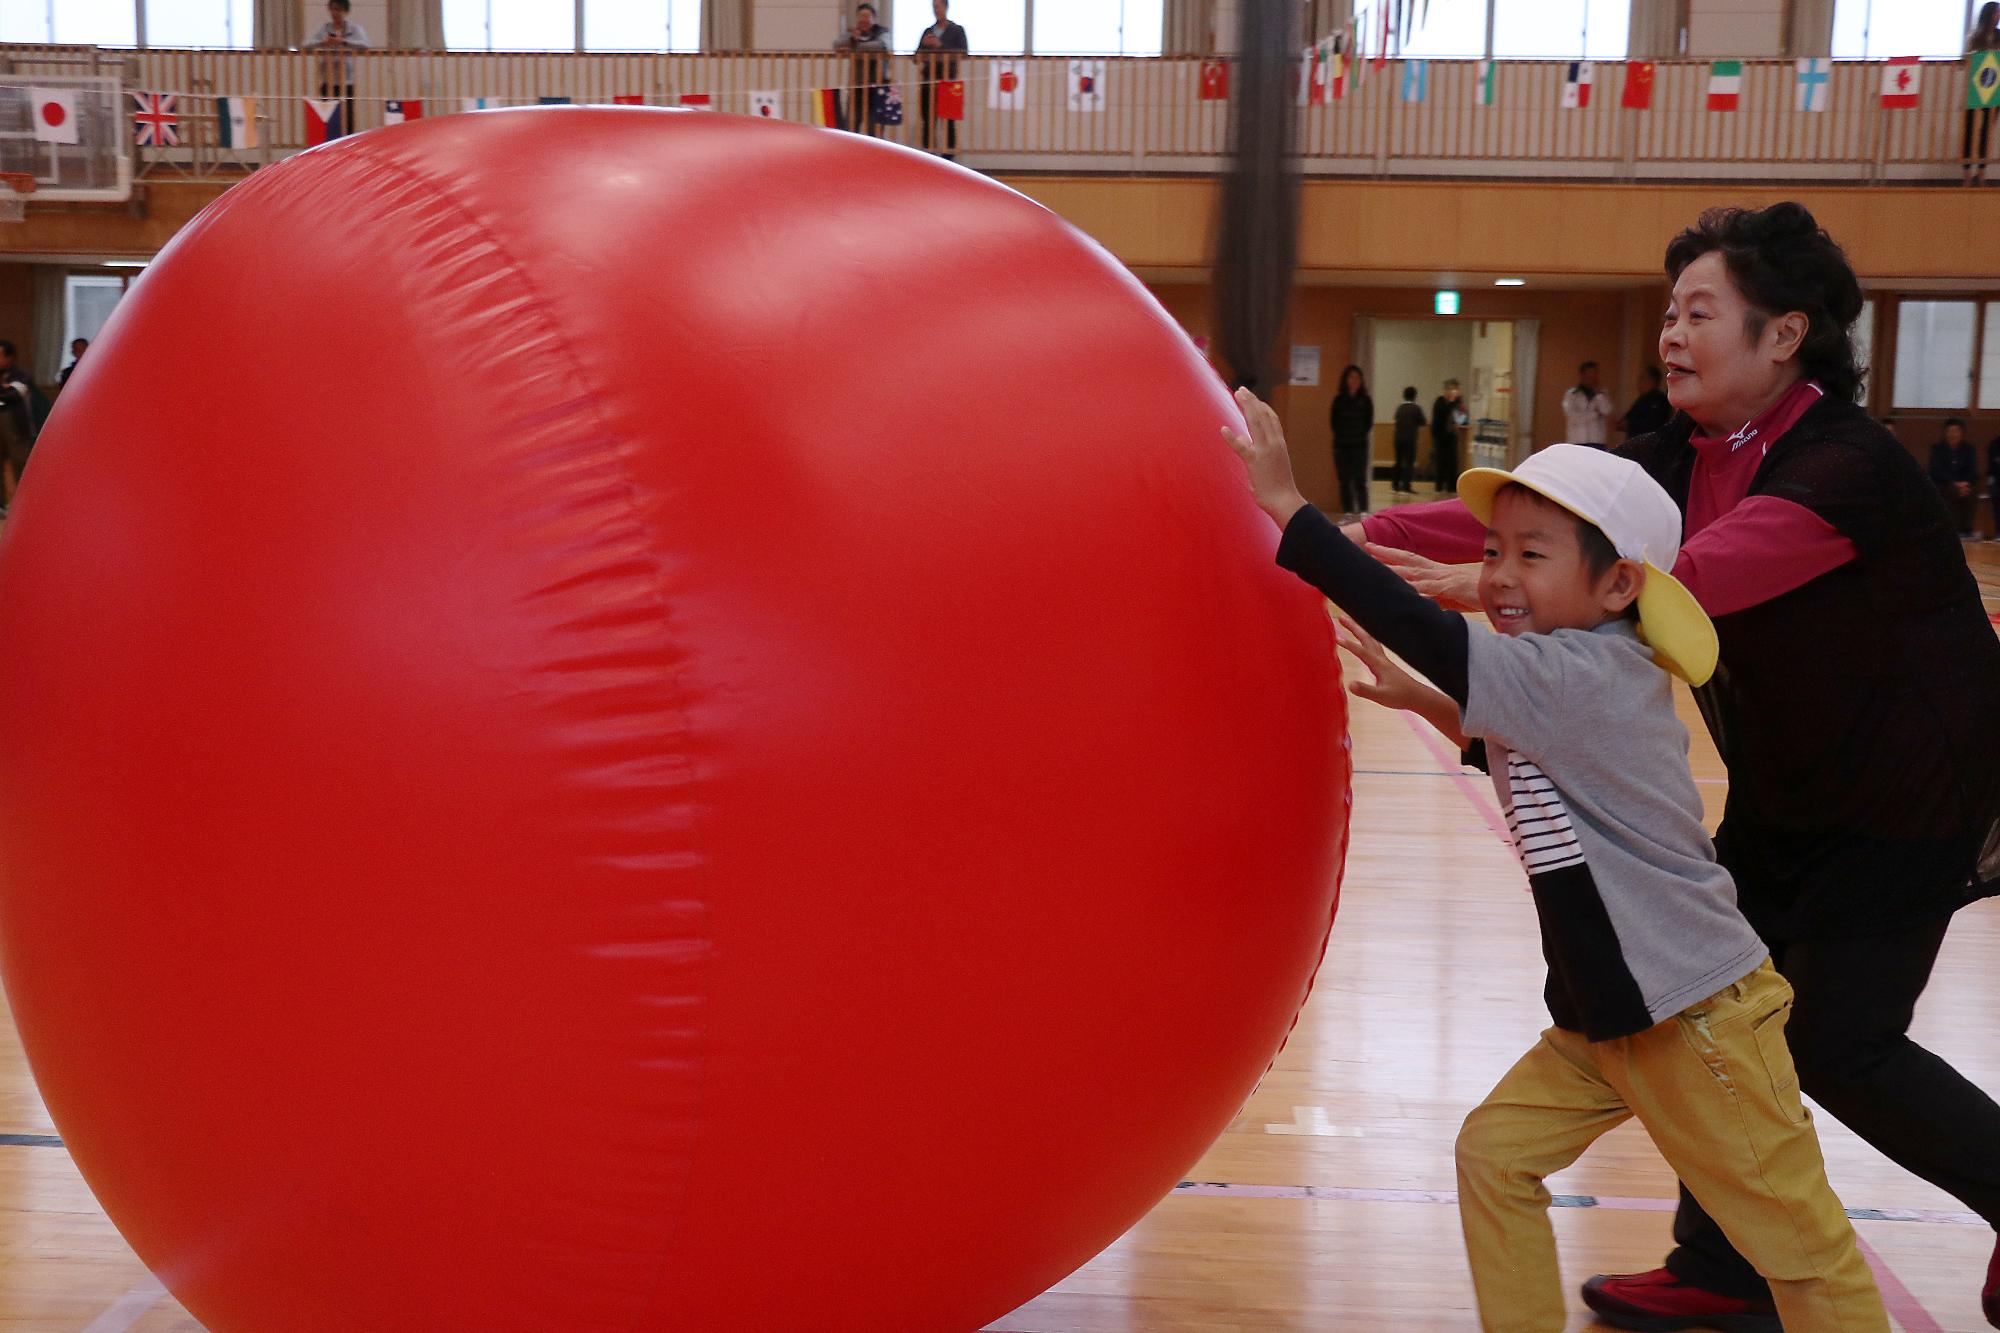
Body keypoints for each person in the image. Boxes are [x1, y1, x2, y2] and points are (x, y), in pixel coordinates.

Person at [1347, 201, 2000, 1333]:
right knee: (1708, 997)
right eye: (1667, 312)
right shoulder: (1676, 453)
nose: (1670, 334)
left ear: (1781, 335)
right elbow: (1530, 525)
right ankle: (1720, 1266)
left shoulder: (1845, 463)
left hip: (1912, 796)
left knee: (1829, 1041)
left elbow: (1683, 578)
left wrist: (1492, 590)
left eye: (1699, 312)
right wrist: (1357, 534)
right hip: (1790, 790)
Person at [1223, 394, 1891, 1333]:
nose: (1497, 576)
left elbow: (1437, 636)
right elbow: (1529, 753)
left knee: (1803, 1251)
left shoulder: (1582, 670)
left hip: (1693, 1017)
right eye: (1494, 550)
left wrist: (1293, 512)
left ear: (1620, 585)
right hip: (1608, 1015)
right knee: (1495, 1156)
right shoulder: (1568, 668)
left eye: (1532, 555)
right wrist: (1425, 702)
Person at [306, 0, 369, 138]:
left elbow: (365, 45)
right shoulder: (324, 29)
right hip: (327, 80)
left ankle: (348, 143)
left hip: (347, 81)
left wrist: (343, 42)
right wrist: (323, 42)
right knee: (328, 117)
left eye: (338, 10)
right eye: (332, 9)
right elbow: (306, 44)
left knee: (348, 117)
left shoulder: (354, 29)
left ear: (345, 11)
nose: (335, 13)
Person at [914, 0, 968, 159]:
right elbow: (916, 57)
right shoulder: (928, 31)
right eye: (934, 7)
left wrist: (940, 45)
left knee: (949, 119)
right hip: (928, 80)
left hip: (949, 80)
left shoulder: (957, 30)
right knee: (928, 119)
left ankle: (948, 156)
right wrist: (924, 46)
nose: (936, 10)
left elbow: (963, 52)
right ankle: (929, 155)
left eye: (938, 7)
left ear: (946, 8)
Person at [0, 338, 48, 507]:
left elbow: (12, 396)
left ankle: (24, 507)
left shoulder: (22, 376)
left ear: (10, 358)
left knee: (20, 466)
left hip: (17, 429)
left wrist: (5, 390)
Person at [834, 4, 892, 137]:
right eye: (860, 16)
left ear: (874, 18)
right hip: (857, 87)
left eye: (867, 16)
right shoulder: (852, 34)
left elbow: (883, 46)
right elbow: (836, 44)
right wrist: (851, 39)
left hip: (877, 88)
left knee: (875, 130)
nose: (863, 20)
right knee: (850, 128)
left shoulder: (882, 32)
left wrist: (855, 46)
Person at [1329, 363, 1374, 519]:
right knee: (1345, 481)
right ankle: (1347, 513)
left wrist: (1359, 437)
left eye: (1357, 378)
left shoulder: (1366, 400)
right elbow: (1334, 424)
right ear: (1346, 380)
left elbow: (1368, 424)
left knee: (1360, 480)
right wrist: (1342, 439)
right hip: (1341, 447)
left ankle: (1363, 513)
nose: (1354, 380)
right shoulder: (1339, 400)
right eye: (1351, 377)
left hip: (1360, 446)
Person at [1967, 3, 1999, 186]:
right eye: (1996, 13)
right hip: (1975, 87)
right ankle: (1967, 173)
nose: (1998, 16)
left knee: (1986, 131)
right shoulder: (1975, 36)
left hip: (1993, 87)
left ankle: (1981, 172)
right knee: (1970, 129)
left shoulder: (1999, 36)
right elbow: (1968, 58)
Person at [1931, 418, 1978, 537]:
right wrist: (1954, 483)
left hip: (1964, 485)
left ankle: (1967, 530)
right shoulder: (1937, 449)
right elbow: (1936, 471)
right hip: (1943, 484)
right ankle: (1952, 530)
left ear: (1962, 433)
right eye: (1950, 431)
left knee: (1970, 493)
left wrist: (1964, 483)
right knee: (1952, 491)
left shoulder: (1969, 449)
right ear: (1945, 433)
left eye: (1956, 431)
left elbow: (1973, 471)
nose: (1953, 434)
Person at [1561, 360, 1616, 446]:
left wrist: (1598, 394)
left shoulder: (1602, 394)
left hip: (1597, 441)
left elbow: (1607, 411)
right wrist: (1595, 414)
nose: (1592, 376)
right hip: (1577, 440)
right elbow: (1573, 417)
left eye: (1594, 373)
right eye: (1589, 373)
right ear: (1582, 375)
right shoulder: (1571, 394)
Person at [1619, 365, 1673, 438]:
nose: (1638, 381)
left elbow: (1653, 424)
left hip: (1648, 443)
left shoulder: (1659, 400)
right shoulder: (1642, 399)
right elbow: (1624, 421)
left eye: (1642, 377)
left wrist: (1630, 424)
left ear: (1651, 380)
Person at [1430, 378, 1464, 494]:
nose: (1453, 392)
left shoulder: (1457, 403)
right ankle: (1439, 486)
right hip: (1440, 436)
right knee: (1441, 461)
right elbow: (1443, 412)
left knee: (1452, 461)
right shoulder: (1439, 402)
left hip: (1452, 436)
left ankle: (1451, 486)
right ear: (1445, 390)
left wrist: (1459, 406)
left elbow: (1461, 417)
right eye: (1450, 389)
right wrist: (1454, 402)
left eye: (1455, 389)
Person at [1392, 386, 1425, 494]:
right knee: (1409, 462)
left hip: (1398, 438)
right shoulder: (1416, 408)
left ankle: (1395, 485)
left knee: (1398, 461)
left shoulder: (1400, 408)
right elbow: (1423, 422)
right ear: (1415, 396)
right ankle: (1406, 486)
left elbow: (1395, 420)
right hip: (1410, 438)